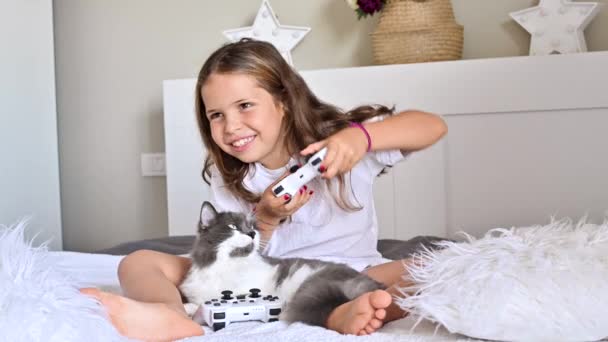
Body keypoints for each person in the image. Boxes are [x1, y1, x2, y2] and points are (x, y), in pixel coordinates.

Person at [81, 38, 447, 341]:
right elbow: (236, 258)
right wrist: (267, 220)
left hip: (348, 270)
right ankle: (169, 314)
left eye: (244, 106)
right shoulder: (232, 172)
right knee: (140, 262)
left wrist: (361, 138)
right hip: (260, 277)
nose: (231, 127)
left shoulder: (342, 144)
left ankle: (337, 311)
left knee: (431, 271)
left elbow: (431, 126)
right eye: (216, 115)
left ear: (284, 101)